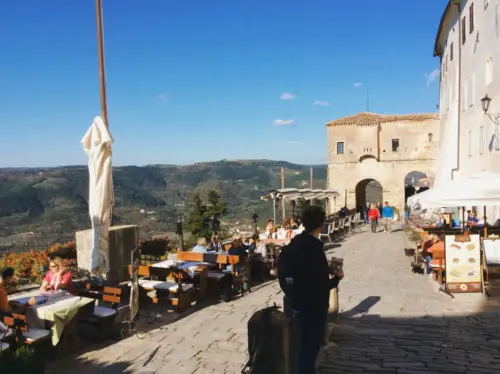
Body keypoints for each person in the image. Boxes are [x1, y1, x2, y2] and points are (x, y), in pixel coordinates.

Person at [278, 205, 344, 374]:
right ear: (320, 225)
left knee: (300, 347)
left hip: (296, 303)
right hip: (313, 307)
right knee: (310, 349)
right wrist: (336, 278)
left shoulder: (296, 243)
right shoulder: (314, 248)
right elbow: (320, 285)